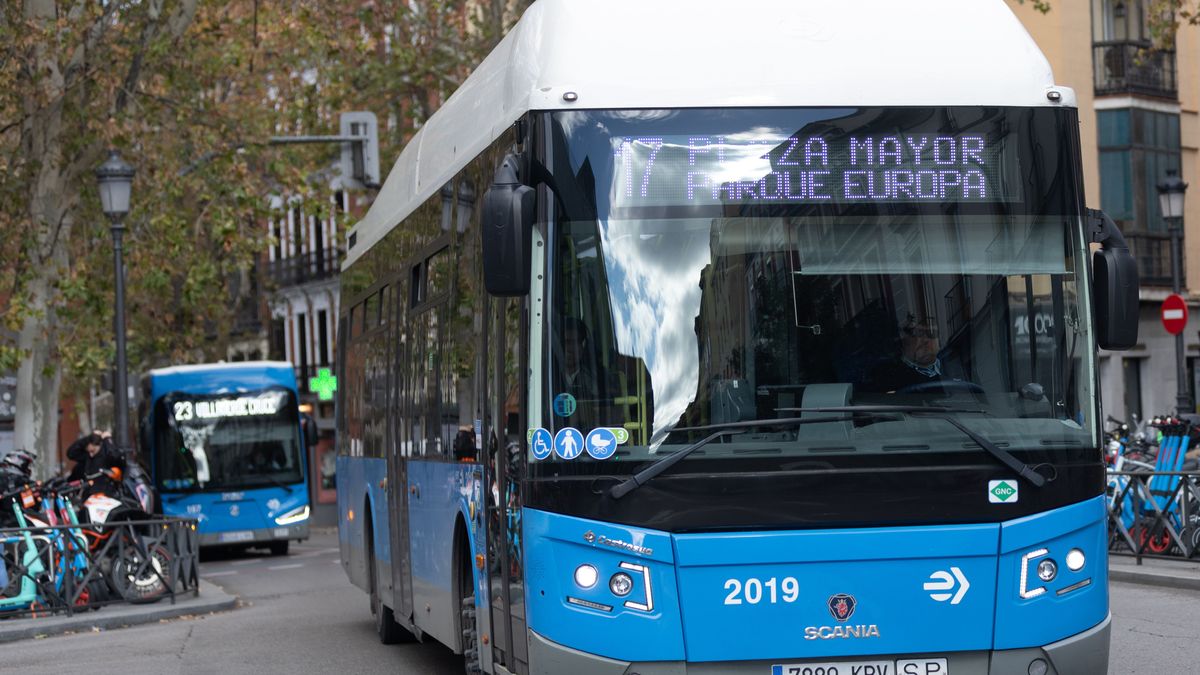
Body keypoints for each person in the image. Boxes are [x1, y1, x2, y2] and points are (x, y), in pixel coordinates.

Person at [862, 315, 951, 394]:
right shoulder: (887, 374)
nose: (925, 340)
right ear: (902, 339)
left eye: (931, 333)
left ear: (939, 341)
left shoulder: (953, 367)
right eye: (916, 333)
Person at [66, 430, 126, 494]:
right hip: (89, 494)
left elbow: (115, 456)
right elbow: (71, 453)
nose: (91, 454)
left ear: (99, 445)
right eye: (89, 451)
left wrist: (107, 439)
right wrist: (88, 438)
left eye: (93, 451)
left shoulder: (107, 456)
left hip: (105, 493)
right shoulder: (88, 457)